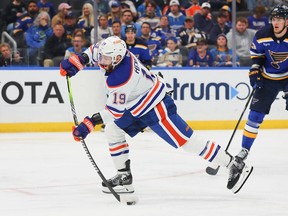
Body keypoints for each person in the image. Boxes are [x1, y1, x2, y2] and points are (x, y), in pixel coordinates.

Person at [59, 35, 250, 194]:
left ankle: (233, 164)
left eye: (106, 60)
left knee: (186, 142)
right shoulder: (112, 49)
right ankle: (125, 177)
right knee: (113, 131)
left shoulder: (121, 77)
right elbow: (95, 51)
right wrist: (79, 61)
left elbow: (114, 112)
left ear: (117, 59)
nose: (101, 62)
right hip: (135, 105)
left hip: (156, 106)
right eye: (102, 58)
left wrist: (89, 124)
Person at [229, 4, 288, 189]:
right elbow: (257, 57)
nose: (276, 22)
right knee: (254, 116)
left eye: (280, 19)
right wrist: (255, 72)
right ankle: (244, 151)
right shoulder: (262, 34)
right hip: (268, 79)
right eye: (274, 18)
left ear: (287, 21)